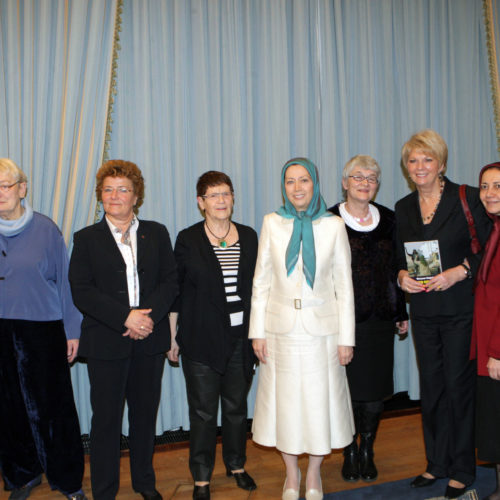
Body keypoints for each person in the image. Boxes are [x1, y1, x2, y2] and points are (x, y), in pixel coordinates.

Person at [69, 160, 178, 500]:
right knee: (106, 423)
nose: (115, 196)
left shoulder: (157, 232)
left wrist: (147, 319)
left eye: (123, 189)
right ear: (101, 195)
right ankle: (104, 491)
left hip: (149, 341)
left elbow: (171, 281)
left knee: (144, 419)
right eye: (108, 189)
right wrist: (125, 318)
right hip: (106, 343)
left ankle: (145, 485)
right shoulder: (86, 238)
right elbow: (82, 290)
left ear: (136, 196)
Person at [250, 157, 355, 500]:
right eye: (290, 181)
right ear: (284, 186)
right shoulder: (271, 223)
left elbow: (344, 286)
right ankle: (291, 473)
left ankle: (313, 473)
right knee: (286, 406)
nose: (297, 188)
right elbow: (261, 281)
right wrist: (257, 332)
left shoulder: (334, 226)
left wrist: (346, 338)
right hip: (279, 331)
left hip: (323, 332)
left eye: (304, 180)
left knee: (317, 405)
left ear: (316, 184)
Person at [395, 130, 491, 499]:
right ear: (407, 167)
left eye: (427, 159)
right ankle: (436, 462)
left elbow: (490, 249)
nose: (420, 167)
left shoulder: (466, 198)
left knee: (459, 389)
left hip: (460, 311)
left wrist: (461, 271)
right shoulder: (404, 208)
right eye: (413, 160)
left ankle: (463, 469)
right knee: (432, 390)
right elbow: (398, 260)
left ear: (442, 164)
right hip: (423, 311)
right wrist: (401, 276)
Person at [168, 171, 258, 500]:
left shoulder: (249, 237)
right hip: (201, 340)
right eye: (213, 195)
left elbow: (258, 290)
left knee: (236, 407)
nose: (221, 201)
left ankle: (236, 465)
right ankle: (202, 477)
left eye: (226, 194)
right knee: (204, 412)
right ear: (200, 202)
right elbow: (177, 293)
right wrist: (172, 337)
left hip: (240, 339)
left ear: (233, 198)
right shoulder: (188, 239)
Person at [0, 158, 86, 500]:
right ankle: (22, 475)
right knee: (8, 409)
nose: (1, 193)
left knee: (53, 409)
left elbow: (65, 283)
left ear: (22, 189)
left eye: (7, 185)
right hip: (1, 332)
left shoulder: (46, 229)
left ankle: (68, 481)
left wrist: (72, 329)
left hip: (42, 330)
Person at [329, 155, 408, 483]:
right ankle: (349, 450)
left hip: (379, 321)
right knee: (345, 391)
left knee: (374, 394)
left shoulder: (390, 219)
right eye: (357, 177)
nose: (364, 182)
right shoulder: (328, 219)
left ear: (377, 185)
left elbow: (399, 268)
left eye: (371, 178)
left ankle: (367, 449)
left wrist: (401, 311)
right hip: (340, 323)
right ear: (345, 182)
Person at [470, 162, 500, 500]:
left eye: (497, 186)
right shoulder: (494, 228)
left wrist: (496, 351)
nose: (490, 193)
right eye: (485, 186)